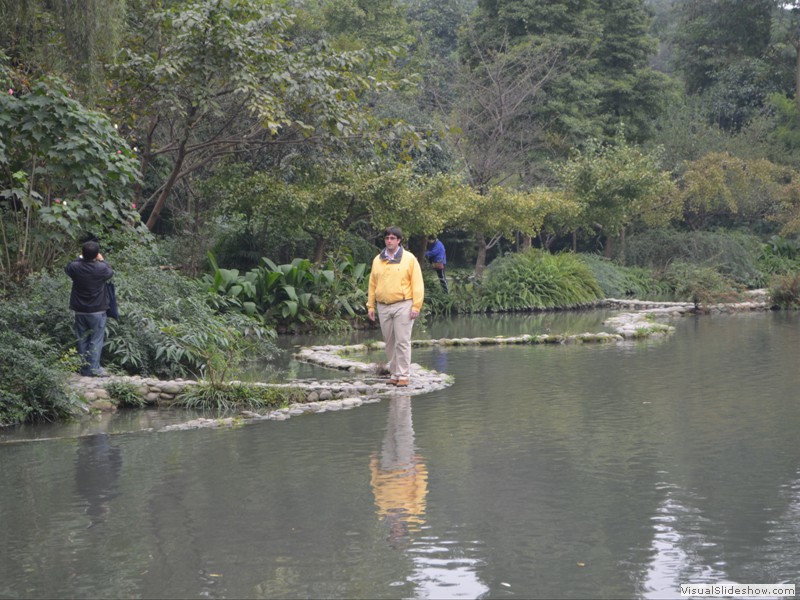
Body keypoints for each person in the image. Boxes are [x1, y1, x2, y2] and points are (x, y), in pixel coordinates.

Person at [367, 226, 424, 387]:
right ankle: (394, 373)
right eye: (387, 238)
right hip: (383, 306)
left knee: (402, 341)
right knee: (389, 341)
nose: (389, 241)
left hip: (403, 304)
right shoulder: (378, 260)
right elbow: (372, 284)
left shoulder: (409, 259)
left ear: (399, 240)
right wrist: (370, 306)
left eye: (393, 238)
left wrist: (416, 306)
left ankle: (404, 375)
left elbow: (417, 283)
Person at [65, 240, 114, 377]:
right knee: (96, 340)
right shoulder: (101, 268)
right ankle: (94, 369)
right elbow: (110, 272)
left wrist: (80, 257)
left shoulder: (75, 267)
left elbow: (68, 267)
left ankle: (84, 368)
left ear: (82, 253)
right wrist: (102, 260)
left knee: (81, 339)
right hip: (98, 310)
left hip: (80, 310)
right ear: (97, 254)